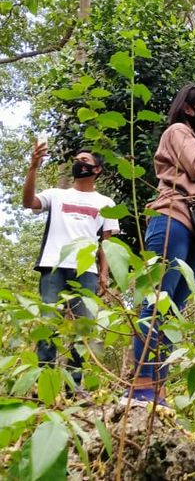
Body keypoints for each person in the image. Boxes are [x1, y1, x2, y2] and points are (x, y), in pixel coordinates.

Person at [127, 83, 195, 405]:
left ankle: (157, 385)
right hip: (171, 218)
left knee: (175, 305)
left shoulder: (193, 139)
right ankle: (142, 382)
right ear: (188, 109)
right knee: (158, 300)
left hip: (194, 230)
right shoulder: (178, 131)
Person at [23, 142, 120, 390]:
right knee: (49, 327)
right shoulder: (56, 195)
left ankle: (74, 389)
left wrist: (104, 274)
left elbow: (106, 243)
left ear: (97, 169)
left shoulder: (105, 202)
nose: (80, 163)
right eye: (78, 159)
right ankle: (46, 385)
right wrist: (33, 168)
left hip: (86, 272)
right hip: (53, 266)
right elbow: (28, 202)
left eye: (85, 160)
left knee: (83, 332)